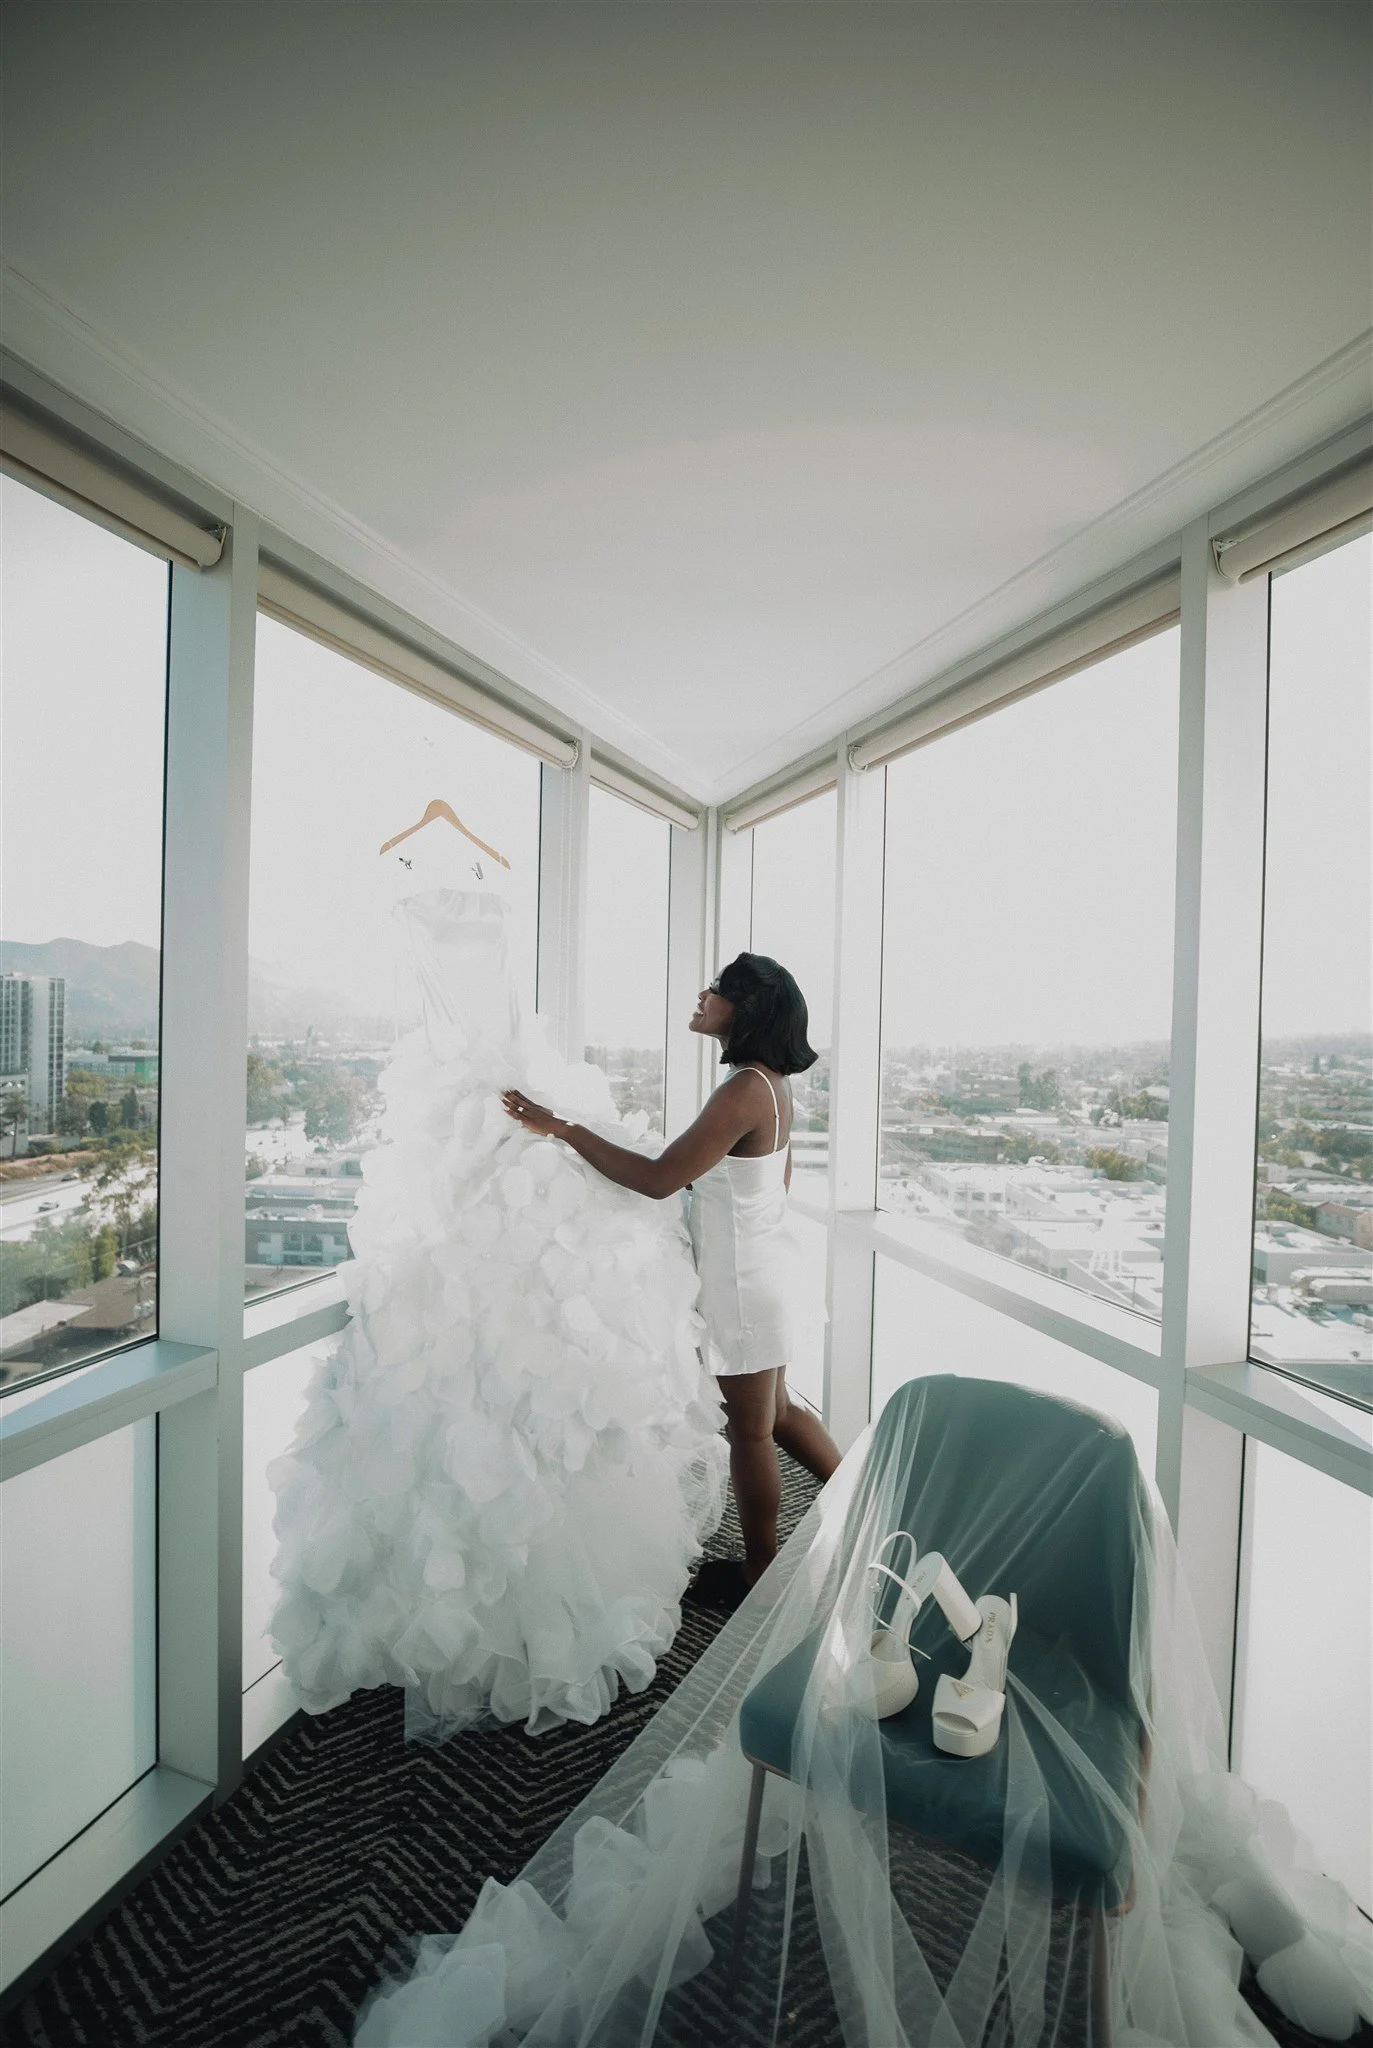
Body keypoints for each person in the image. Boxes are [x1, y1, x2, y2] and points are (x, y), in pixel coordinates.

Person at [503, 950, 842, 1607]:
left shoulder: (742, 1088)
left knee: (749, 1432)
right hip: (767, 1269)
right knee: (777, 1413)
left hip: (743, 1285)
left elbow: (659, 1181)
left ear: (745, 1009)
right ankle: (869, 1496)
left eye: (717, 989)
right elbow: (775, 1179)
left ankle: (760, 1575)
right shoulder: (770, 1082)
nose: (702, 994)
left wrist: (561, 1128)